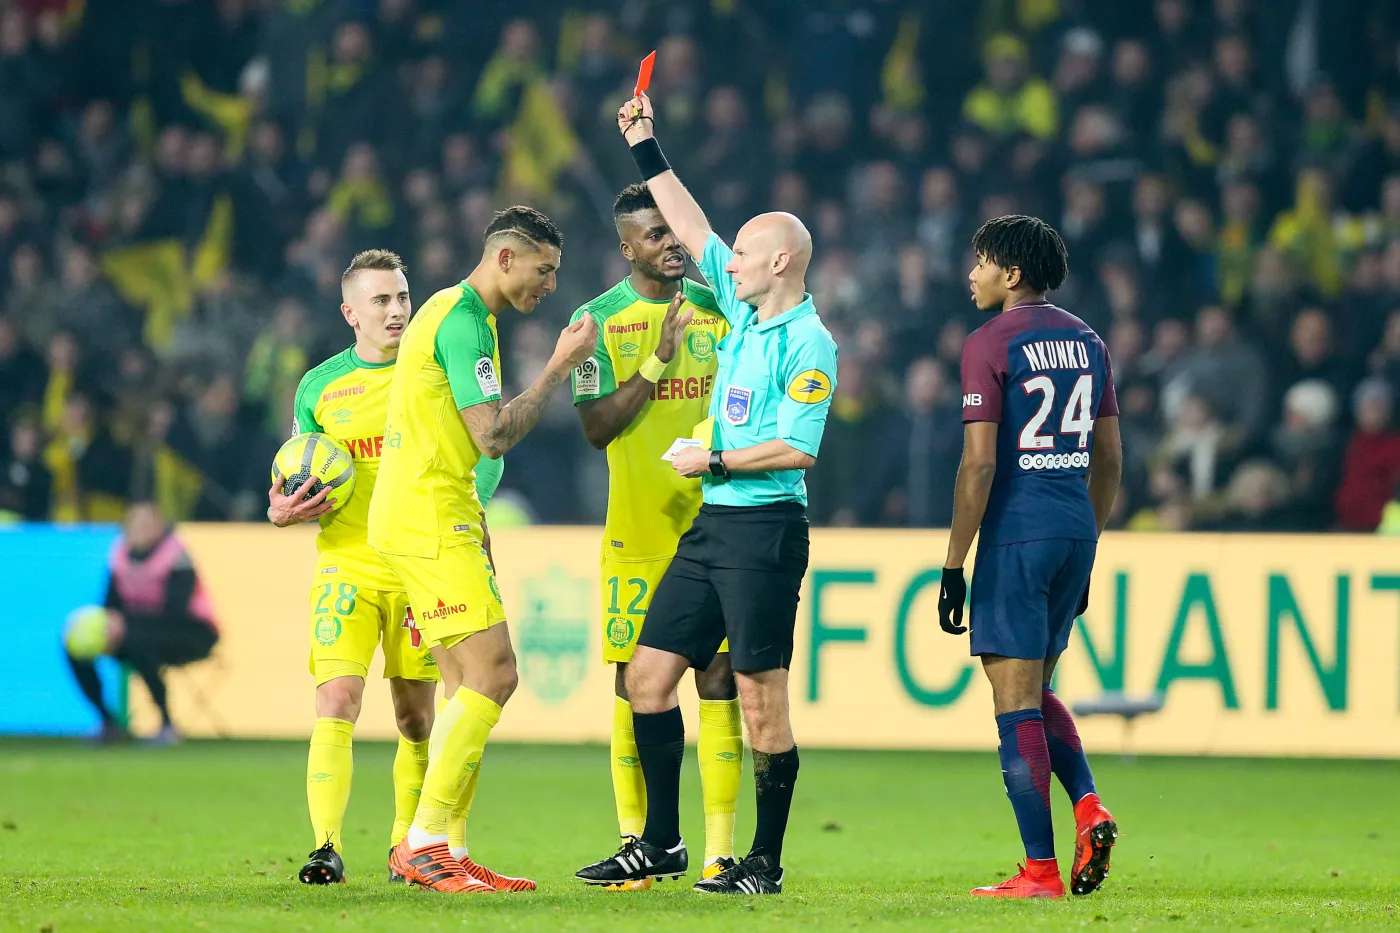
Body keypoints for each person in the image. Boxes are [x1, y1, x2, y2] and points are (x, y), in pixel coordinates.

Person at [576, 92, 837, 896]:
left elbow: (798, 449)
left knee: (760, 704)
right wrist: (645, 143)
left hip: (763, 532)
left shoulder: (809, 340)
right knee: (646, 680)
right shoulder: (743, 308)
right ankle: (660, 841)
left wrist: (716, 460)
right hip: (713, 527)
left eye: (747, 255)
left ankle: (765, 859)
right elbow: (690, 225)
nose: (729, 261)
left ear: (781, 263)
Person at [371, 206, 597, 893]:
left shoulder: (453, 311)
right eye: (543, 268)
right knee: (495, 675)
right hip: (430, 515)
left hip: (430, 510)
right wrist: (559, 365)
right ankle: (423, 840)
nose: (551, 284)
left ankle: (450, 847)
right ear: (504, 258)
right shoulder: (465, 320)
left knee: (464, 684)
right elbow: (492, 435)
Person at [266, 249, 505, 886]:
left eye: (402, 297)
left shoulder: (432, 368)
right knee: (337, 698)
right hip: (346, 563)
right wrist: (282, 504)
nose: (397, 310)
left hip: (420, 566)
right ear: (351, 313)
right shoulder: (319, 387)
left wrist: (470, 507)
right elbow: (298, 463)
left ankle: (409, 847)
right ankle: (325, 846)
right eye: (382, 301)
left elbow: (484, 455)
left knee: (415, 717)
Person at [937, 215, 1122, 899]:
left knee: (1013, 703)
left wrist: (955, 561)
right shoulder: (1089, 340)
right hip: (1075, 524)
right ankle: (1088, 806)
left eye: (981, 261)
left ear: (1011, 273)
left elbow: (978, 465)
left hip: (1017, 531)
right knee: (1036, 689)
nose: (972, 273)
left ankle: (1040, 869)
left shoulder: (988, 341)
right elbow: (1109, 458)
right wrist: (1088, 536)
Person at [570, 183, 741, 888]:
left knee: (719, 678)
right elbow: (594, 427)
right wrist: (656, 359)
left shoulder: (721, 310)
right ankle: (636, 843)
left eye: (675, 231)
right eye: (654, 234)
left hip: (715, 526)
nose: (671, 243)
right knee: (632, 683)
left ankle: (719, 849)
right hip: (637, 534)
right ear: (626, 246)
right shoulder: (594, 321)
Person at [65, 501, 218, 745]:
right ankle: (108, 721)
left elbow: (175, 612)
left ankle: (167, 724)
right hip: (134, 632)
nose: (141, 530)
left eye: (147, 524)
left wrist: (124, 624)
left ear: (160, 527)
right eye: (135, 525)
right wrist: (109, 625)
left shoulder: (176, 556)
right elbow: (110, 605)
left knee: (140, 643)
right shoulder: (120, 555)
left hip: (192, 633)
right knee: (74, 645)